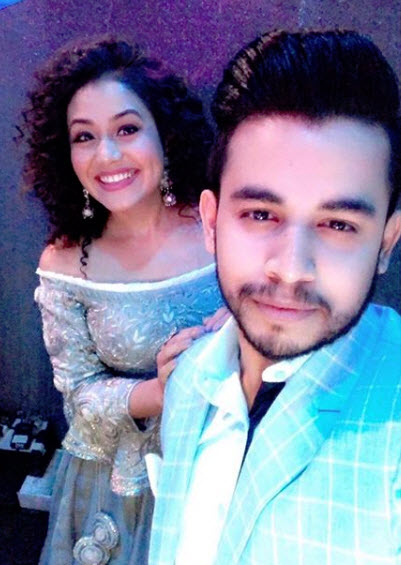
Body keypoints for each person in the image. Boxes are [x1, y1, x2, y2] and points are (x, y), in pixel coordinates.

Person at [149, 29, 401, 565]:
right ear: (212, 222)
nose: (291, 268)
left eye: (338, 224)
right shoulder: (190, 378)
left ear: (386, 242)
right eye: (261, 214)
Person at [21, 36, 224, 565]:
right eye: (84, 136)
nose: (107, 155)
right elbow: (79, 400)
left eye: (127, 129)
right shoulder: (67, 261)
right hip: (118, 489)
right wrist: (158, 391)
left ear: (164, 133)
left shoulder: (223, 226)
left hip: (223, 461)